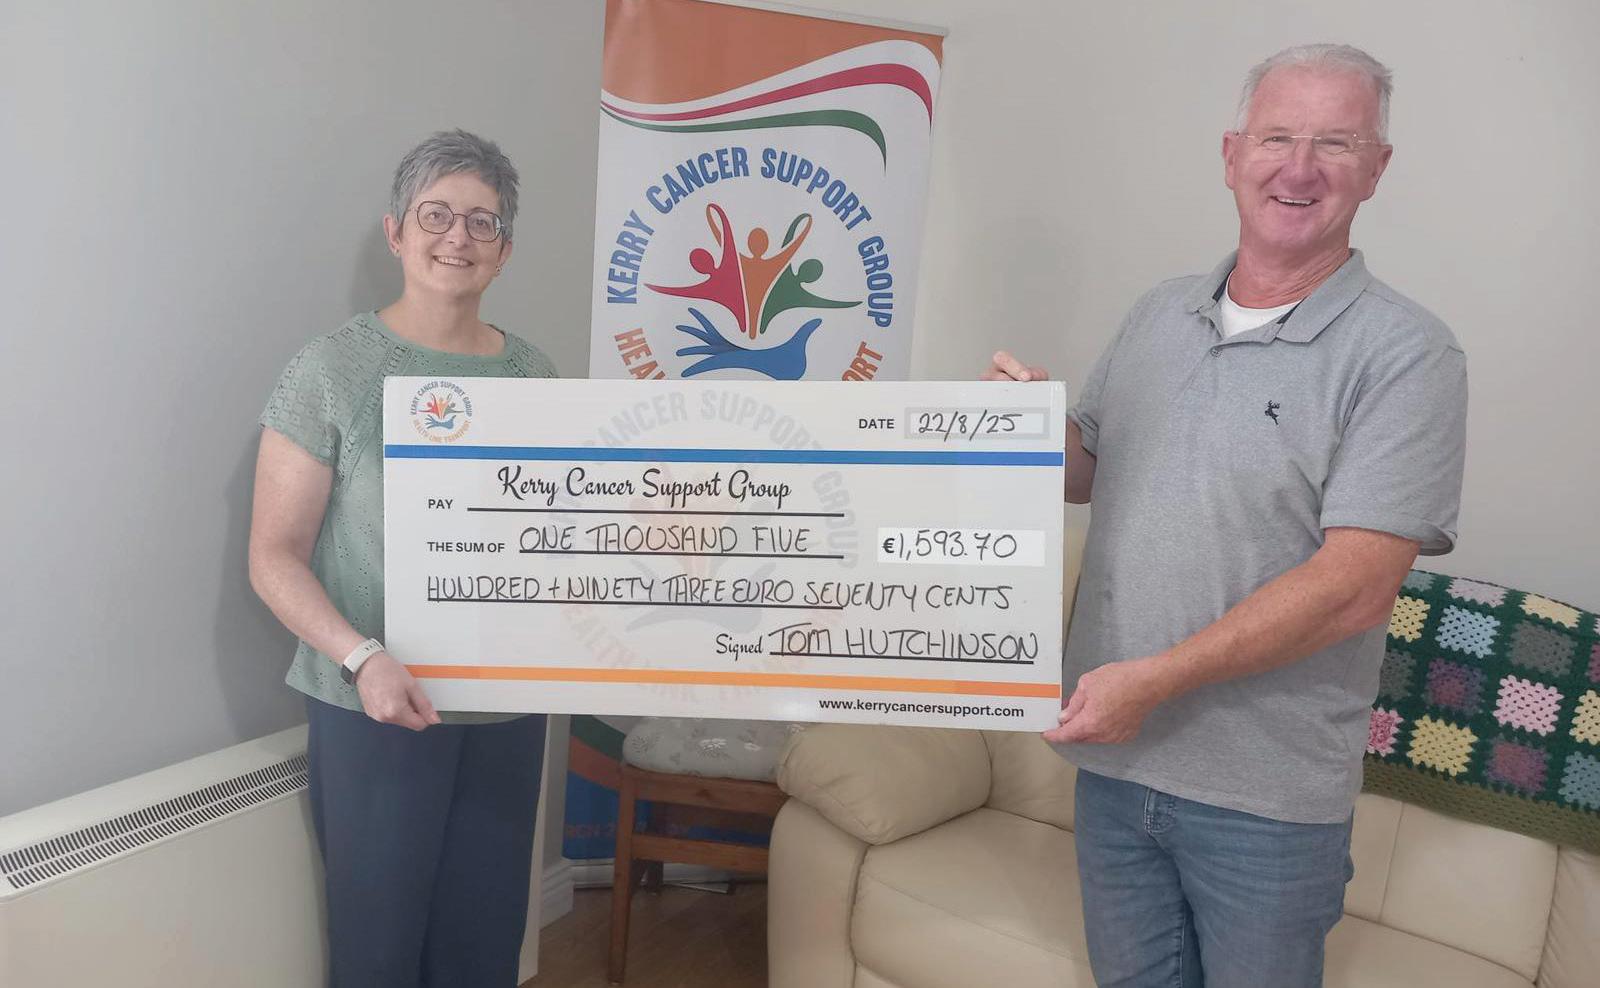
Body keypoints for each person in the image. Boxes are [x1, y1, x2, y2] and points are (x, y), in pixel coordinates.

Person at [984, 44, 1467, 986]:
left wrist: (1152, 682)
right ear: (1231, 153)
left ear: (1377, 168)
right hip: (1114, 765)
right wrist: (1021, 430)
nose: (1299, 168)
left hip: (1264, 801)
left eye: (1335, 143)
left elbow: (1355, 588)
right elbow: (1090, 472)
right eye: (1277, 137)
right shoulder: (1159, 314)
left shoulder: (1408, 354)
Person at [249, 129, 556, 987]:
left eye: (482, 222)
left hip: (503, 710)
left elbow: (556, 534)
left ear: (504, 251)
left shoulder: (537, 378)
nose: (458, 236)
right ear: (396, 233)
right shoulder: (332, 371)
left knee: (482, 946)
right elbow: (273, 556)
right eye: (436, 215)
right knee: (378, 948)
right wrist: (363, 658)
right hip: (376, 706)